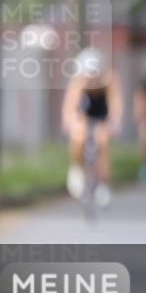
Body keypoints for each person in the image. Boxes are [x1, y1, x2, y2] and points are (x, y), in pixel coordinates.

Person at [61, 47, 123, 207]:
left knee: (102, 140)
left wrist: (115, 121)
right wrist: (71, 122)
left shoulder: (109, 78)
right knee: (78, 136)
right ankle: (77, 168)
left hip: (102, 110)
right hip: (85, 111)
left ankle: (103, 184)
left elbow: (116, 103)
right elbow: (70, 106)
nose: (91, 79)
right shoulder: (78, 82)